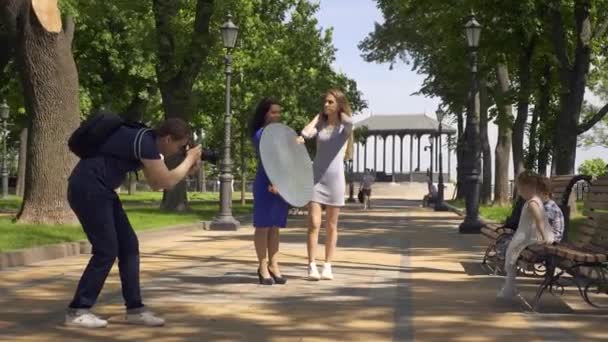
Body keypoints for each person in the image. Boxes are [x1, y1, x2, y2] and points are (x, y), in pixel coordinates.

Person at [65, 117, 202, 328]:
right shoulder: (145, 143)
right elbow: (163, 182)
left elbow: (157, 180)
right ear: (167, 138)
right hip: (88, 189)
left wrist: (188, 165)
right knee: (106, 250)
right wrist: (188, 160)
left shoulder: (146, 143)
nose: (181, 150)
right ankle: (77, 311)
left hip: (102, 190)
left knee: (129, 246)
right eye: (181, 145)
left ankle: (135, 310)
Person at [297, 89, 353, 281]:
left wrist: (340, 110)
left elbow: (350, 122)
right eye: (325, 102)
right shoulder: (320, 126)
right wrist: (317, 118)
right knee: (313, 223)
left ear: (338, 104)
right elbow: (305, 133)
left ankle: (328, 265)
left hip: (335, 181)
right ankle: (311, 265)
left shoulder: (343, 129)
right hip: (316, 179)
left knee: (331, 225)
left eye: (330, 102)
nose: (326, 105)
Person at [249, 97, 289, 285]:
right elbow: (268, 159)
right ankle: (262, 266)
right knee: (263, 225)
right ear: (265, 114)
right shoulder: (261, 134)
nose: (277, 115)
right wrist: (274, 181)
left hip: (280, 182)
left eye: (279, 112)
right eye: (274, 112)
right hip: (266, 182)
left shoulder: (280, 134)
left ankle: (274, 264)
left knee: (275, 226)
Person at [497, 171, 555, 299]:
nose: (520, 192)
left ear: (528, 187)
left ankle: (510, 287)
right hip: (529, 234)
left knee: (510, 253)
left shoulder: (533, 203)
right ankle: (509, 285)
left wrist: (544, 237)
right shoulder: (534, 201)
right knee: (510, 253)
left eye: (521, 189)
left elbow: (539, 220)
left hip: (532, 236)